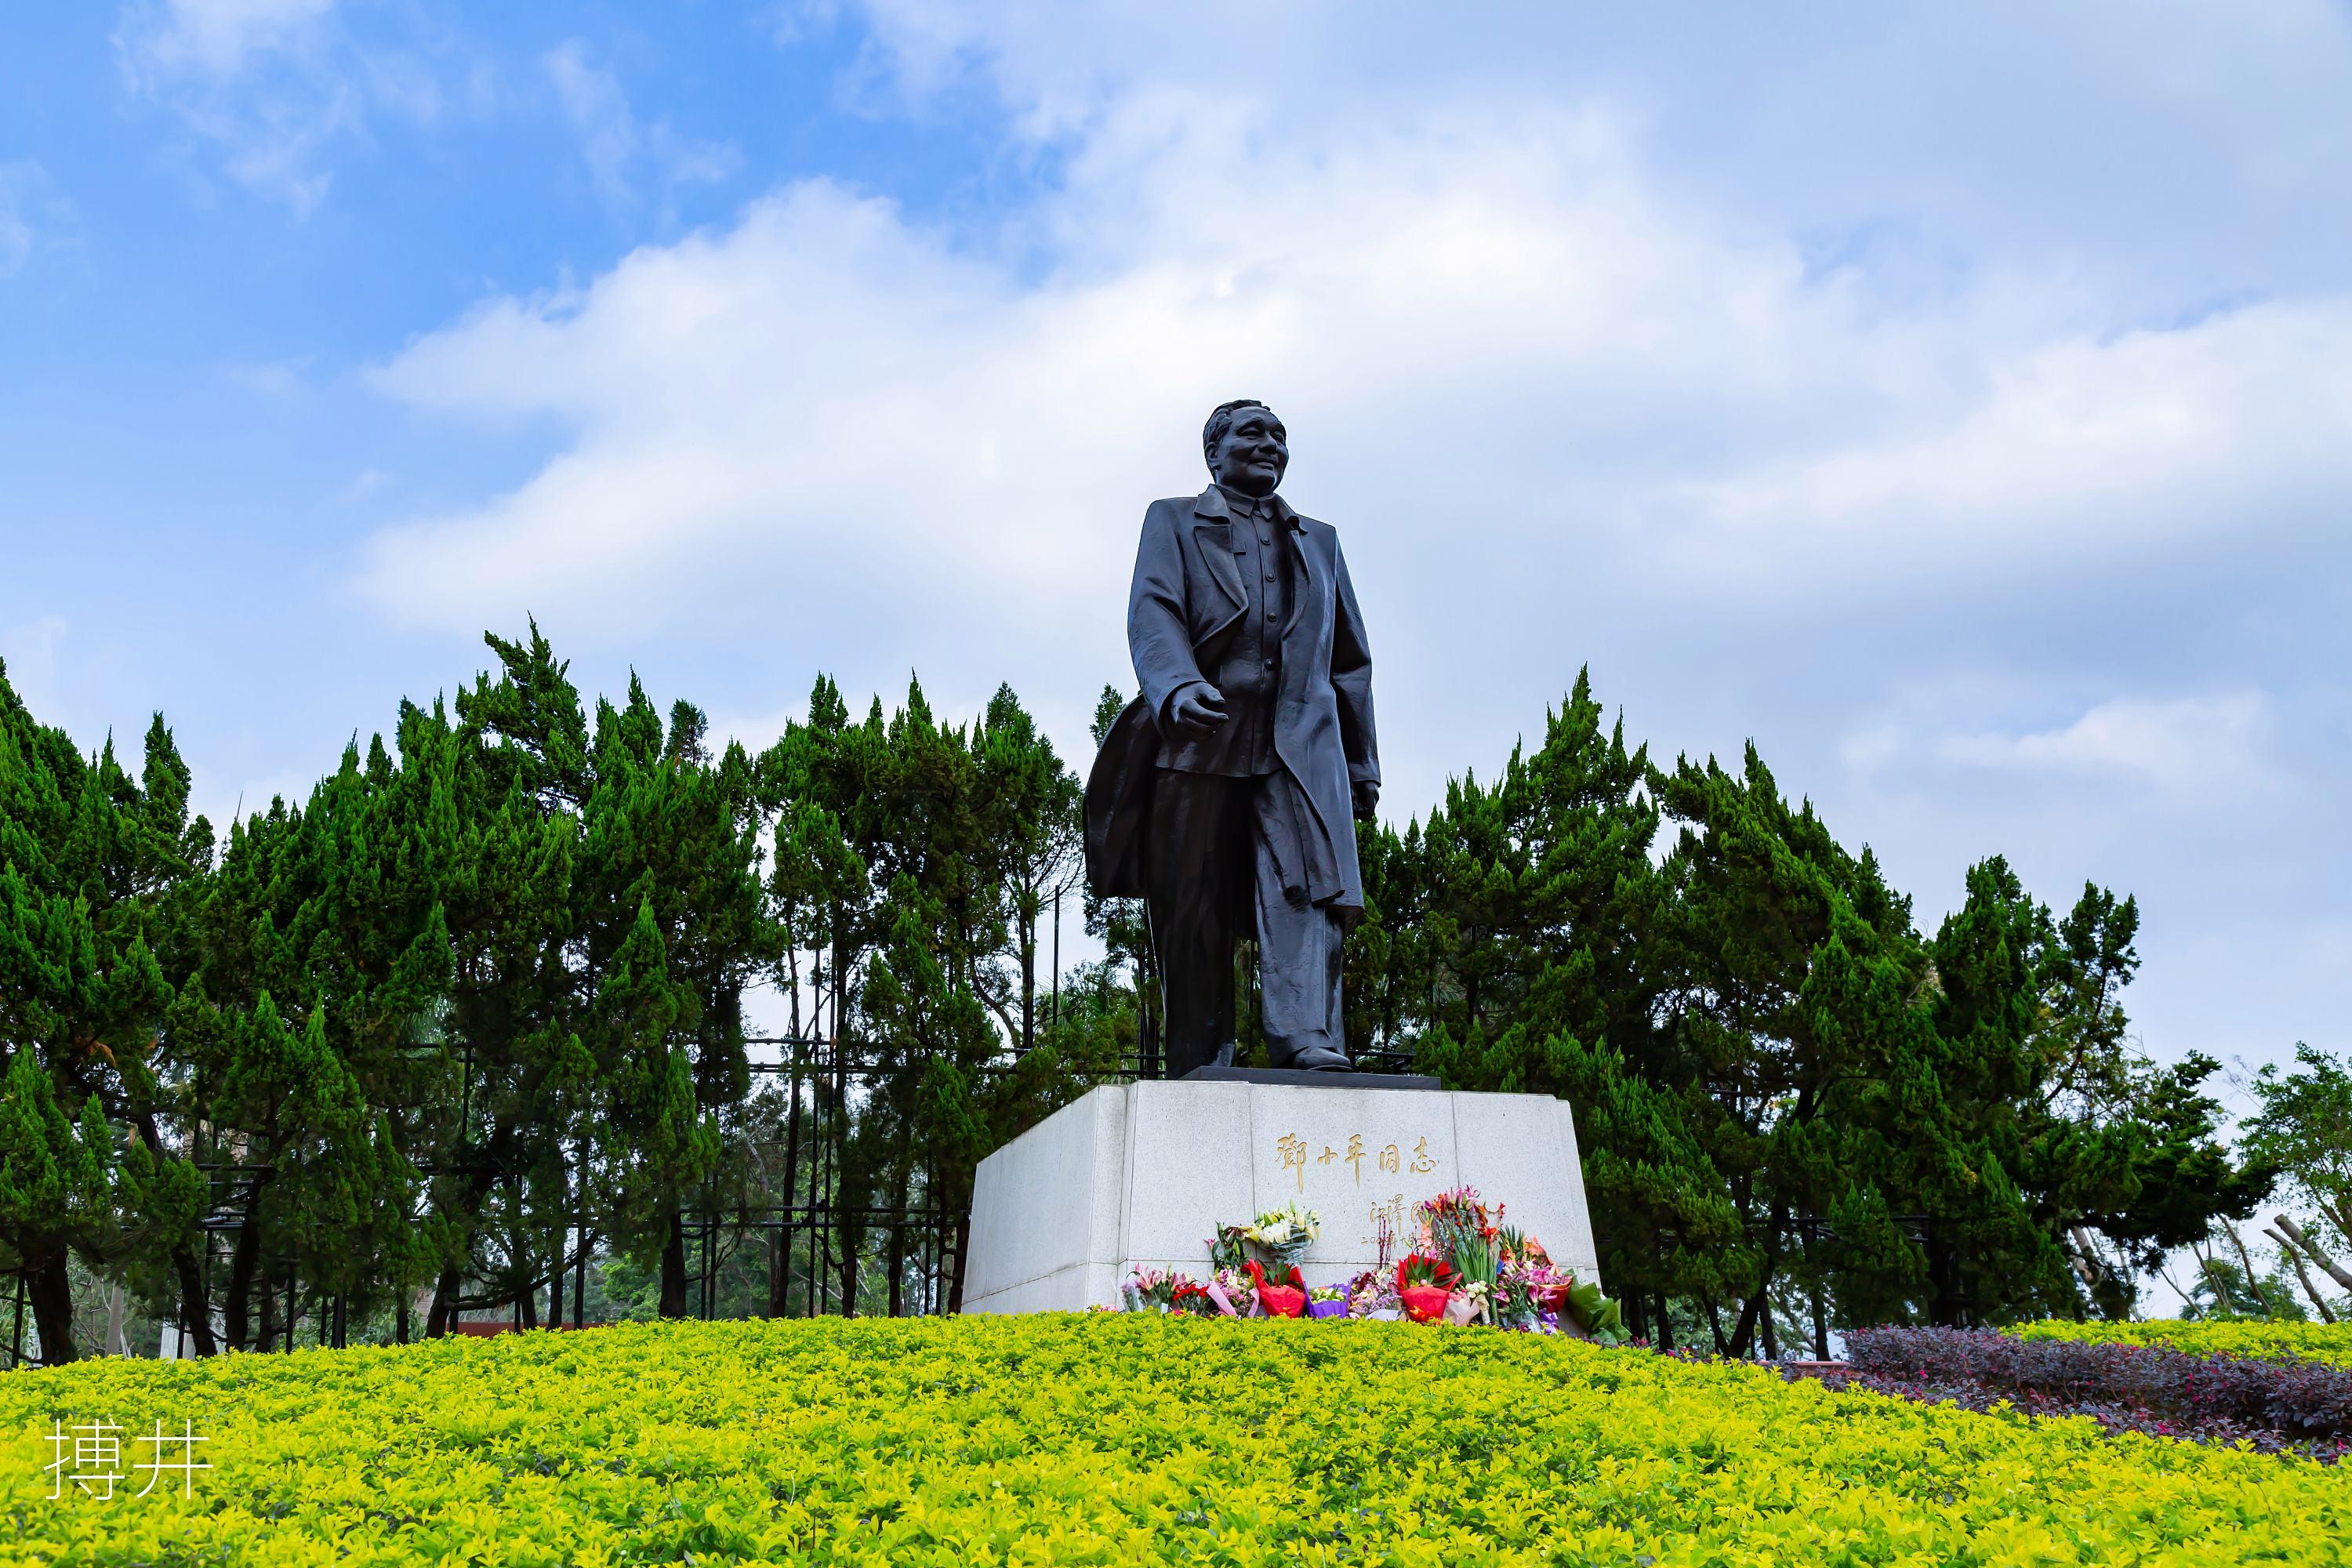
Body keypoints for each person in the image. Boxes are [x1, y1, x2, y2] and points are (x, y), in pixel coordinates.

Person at [1084, 400, 1380, 1074]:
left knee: (1304, 888)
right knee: (1192, 903)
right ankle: (1199, 1051)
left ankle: (1307, 1038)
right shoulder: (1173, 520)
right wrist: (1177, 686)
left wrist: (1361, 766)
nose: (1271, 444)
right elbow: (1154, 608)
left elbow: (1350, 663)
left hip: (1298, 746)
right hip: (1199, 739)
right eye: (1253, 433)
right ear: (1213, 453)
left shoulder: (1321, 541)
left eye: (1280, 435)